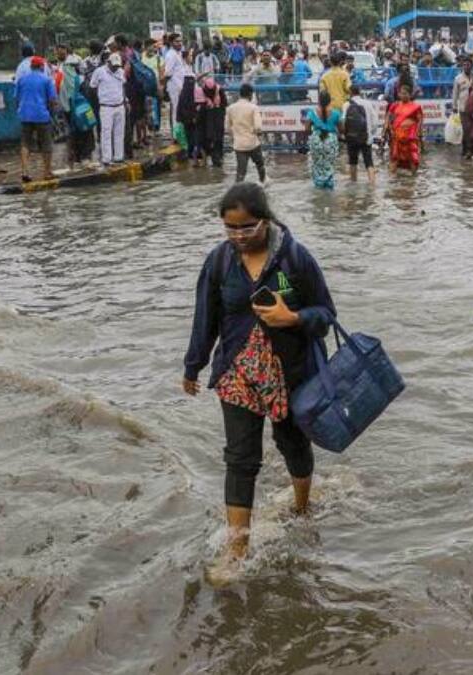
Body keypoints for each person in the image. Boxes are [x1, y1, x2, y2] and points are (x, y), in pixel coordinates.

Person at [182, 182, 336, 574]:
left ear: (265, 221)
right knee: (240, 458)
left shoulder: (296, 260)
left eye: (247, 228)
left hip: (290, 373)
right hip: (238, 375)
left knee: (293, 445)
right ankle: (237, 549)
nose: (238, 237)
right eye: (230, 229)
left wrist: (294, 318)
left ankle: (303, 506)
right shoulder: (218, 262)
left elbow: (326, 314)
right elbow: (206, 318)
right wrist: (193, 365)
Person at [15, 56, 57, 182]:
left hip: (25, 115)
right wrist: (51, 112)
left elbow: (16, 98)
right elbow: (53, 100)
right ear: (41, 66)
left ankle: (25, 171)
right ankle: (47, 172)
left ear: (31, 67)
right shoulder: (47, 80)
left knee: (25, 144)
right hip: (42, 115)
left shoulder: (21, 79)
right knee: (46, 144)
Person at [90, 53, 127, 166]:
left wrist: (125, 100)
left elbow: (123, 86)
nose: (116, 67)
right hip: (106, 107)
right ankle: (106, 158)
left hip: (119, 105)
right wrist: (99, 100)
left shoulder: (120, 72)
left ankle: (118, 157)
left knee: (119, 132)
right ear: (108, 62)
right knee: (106, 133)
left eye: (117, 66)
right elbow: (93, 87)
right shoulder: (99, 72)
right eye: (114, 65)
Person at [226, 83, 265, 184]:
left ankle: (237, 193)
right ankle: (263, 184)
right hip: (253, 143)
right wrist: (258, 134)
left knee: (241, 172)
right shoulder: (253, 108)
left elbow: (227, 128)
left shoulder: (231, 108)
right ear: (250, 95)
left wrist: (234, 136)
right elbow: (258, 127)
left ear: (240, 94)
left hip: (239, 145)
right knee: (260, 166)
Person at [304, 90, 341, 189]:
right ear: (330, 101)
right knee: (329, 164)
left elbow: (306, 129)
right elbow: (342, 129)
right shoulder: (336, 113)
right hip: (331, 140)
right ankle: (329, 186)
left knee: (317, 165)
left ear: (319, 101)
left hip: (316, 140)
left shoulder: (312, 113)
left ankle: (319, 185)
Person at [342, 84, 377, 183]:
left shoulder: (346, 105)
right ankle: (372, 185)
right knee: (369, 162)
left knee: (353, 162)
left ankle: (353, 183)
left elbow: (344, 121)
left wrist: (345, 135)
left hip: (351, 138)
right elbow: (374, 122)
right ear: (360, 92)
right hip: (366, 138)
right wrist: (370, 133)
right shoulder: (368, 103)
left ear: (350, 93)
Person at [387, 83, 424, 176]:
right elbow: (389, 118)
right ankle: (392, 180)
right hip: (397, 136)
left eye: (406, 93)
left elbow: (420, 120)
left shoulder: (416, 107)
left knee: (412, 158)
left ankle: (413, 179)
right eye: (402, 93)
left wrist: (418, 132)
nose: (403, 95)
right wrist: (389, 129)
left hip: (410, 137)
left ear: (410, 94)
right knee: (395, 158)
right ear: (398, 94)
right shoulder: (394, 105)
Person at [196, 76, 226, 168]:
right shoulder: (206, 94)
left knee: (215, 140)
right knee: (216, 140)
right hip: (213, 122)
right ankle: (217, 159)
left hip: (213, 122)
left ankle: (216, 159)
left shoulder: (218, 92)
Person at [163, 34, 191, 132]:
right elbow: (167, 74)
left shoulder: (178, 53)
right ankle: (176, 135)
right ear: (171, 43)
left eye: (180, 41)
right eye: (177, 41)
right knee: (176, 111)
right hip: (174, 87)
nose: (179, 43)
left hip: (180, 86)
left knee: (180, 111)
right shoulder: (170, 55)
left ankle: (179, 133)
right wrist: (164, 88)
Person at [453, 58, 473, 158]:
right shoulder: (458, 78)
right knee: (466, 129)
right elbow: (455, 94)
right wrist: (454, 106)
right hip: (463, 107)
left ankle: (470, 150)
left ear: (471, 66)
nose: (466, 66)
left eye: (468, 64)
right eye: (464, 65)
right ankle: (467, 150)